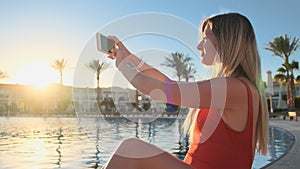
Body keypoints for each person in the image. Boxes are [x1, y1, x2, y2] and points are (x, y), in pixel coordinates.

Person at [103, 12, 269, 169]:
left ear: (226, 41)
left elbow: (155, 88)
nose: (198, 46)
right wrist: (129, 56)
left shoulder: (231, 88)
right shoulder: (237, 87)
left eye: (205, 39)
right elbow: (167, 83)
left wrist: (122, 65)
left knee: (131, 149)